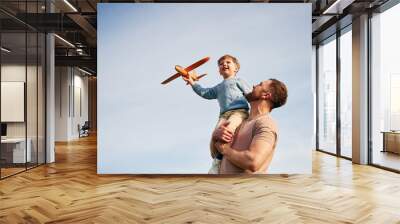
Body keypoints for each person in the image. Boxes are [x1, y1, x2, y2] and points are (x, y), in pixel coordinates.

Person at [183, 55, 252, 174]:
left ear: (236, 68)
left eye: (228, 62)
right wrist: (193, 83)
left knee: (228, 130)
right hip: (224, 115)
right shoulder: (218, 87)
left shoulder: (239, 81)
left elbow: (250, 94)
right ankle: (217, 160)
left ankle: (223, 158)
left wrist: (256, 110)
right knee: (214, 139)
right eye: (221, 64)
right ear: (219, 71)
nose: (224, 64)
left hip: (239, 112)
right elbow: (205, 92)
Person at [213, 79, 288, 174]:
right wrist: (215, 136)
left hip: (246, 188)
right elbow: (216, 154)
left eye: (260, 84)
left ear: (265, 95)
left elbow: (253, 162)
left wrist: (225, 150)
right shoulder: (238, 122)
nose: (253, 85)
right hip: (224, 187)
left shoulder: (266, 123)